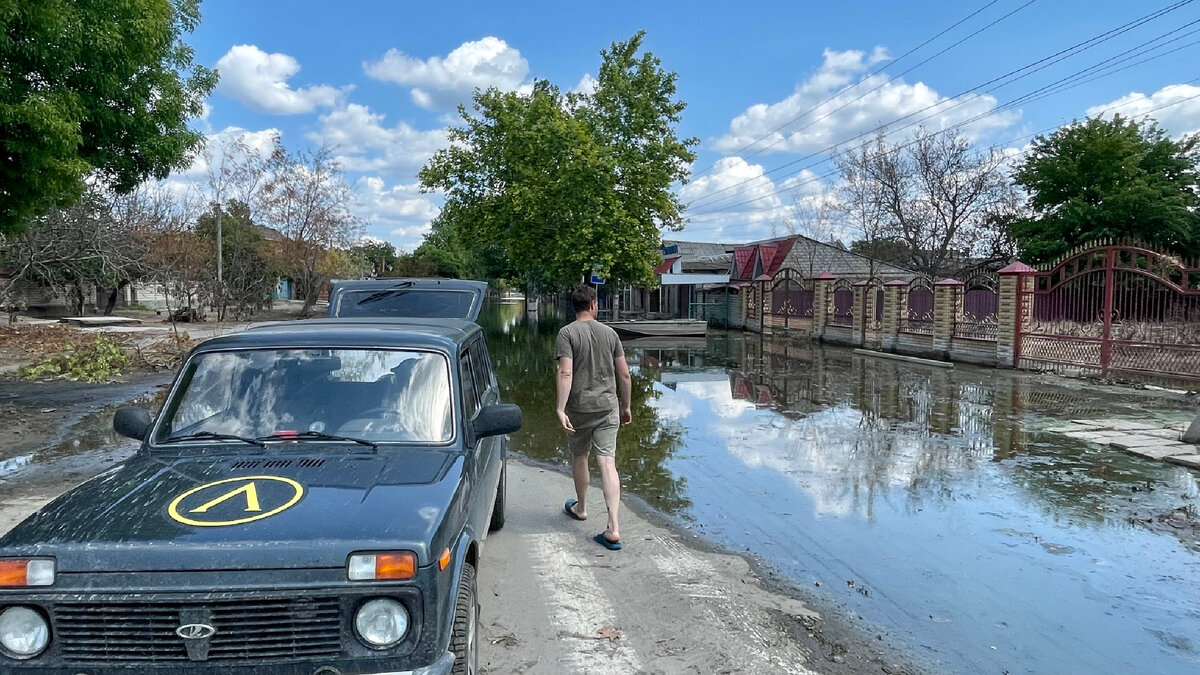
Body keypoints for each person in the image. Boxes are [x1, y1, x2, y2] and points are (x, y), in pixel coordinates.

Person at [555, 283, 632, 550]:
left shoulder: (566, 334)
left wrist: (560, 408)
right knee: (607, 462)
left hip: (579, 409)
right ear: (593, 305)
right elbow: (624, 373)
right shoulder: (610, 333)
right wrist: (626, 406)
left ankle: (582, 507)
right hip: (608, 407)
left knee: (580, 456)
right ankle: (613, 527)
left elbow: (566, 373)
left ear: (575, 307)